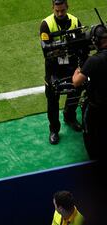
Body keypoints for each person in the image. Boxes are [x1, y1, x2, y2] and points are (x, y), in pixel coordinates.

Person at [40, 0, 84, 145]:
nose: (60, 13)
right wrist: (67, 48)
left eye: (62, 10)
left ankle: (70, 116)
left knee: (75, 91)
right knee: (52, 99)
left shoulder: (75, 21)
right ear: (52, 8)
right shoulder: (46, 24)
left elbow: (81, 45)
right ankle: (54, 130)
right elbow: (46, 50)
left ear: (67, 7)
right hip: (53, 69)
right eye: (57, 10)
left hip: (71, 66)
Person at [72, 25, 107, 160]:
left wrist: (78, 69)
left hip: (97, 108)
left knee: (91, 136)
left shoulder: (93, 61)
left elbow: (76, 82)